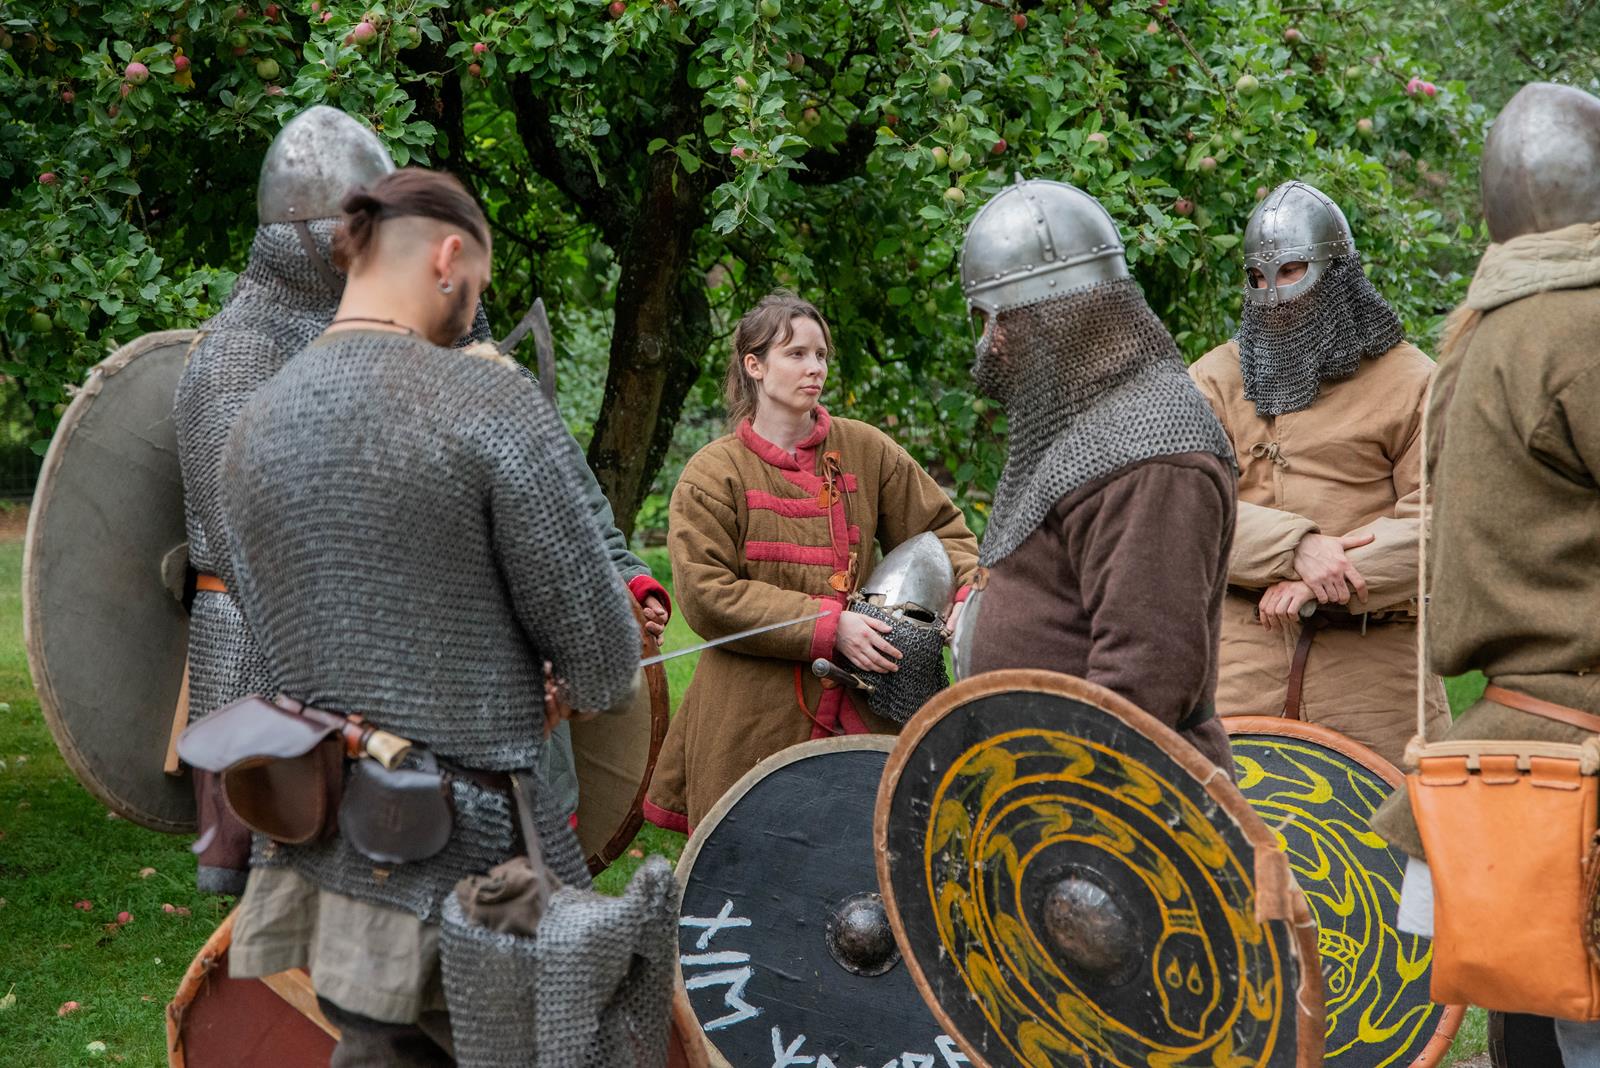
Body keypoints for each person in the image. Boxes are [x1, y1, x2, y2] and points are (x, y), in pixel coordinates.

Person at [216, 167, 643, 1065]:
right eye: (475, 285)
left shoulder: (253, 424)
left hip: (329, 854)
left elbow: (286, 636)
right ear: (448, 257)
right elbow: (605, 661)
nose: (471, 308)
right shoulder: (486, 401)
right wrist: (553, 684)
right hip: (473, 868)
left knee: (376, 1048)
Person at [1369, 81, 1600, 1065]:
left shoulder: (1483, 329)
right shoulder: (1581, 327)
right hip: (1579, 751)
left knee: (1541, 1030)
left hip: (1516, 752)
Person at [642, 291, 979, 832]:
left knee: (871, 851)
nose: (815, 367)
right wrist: (827, 625)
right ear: (754, 365)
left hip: (866, 698)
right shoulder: (713, 473)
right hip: (752, 709)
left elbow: (941, 531)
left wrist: (964, 592)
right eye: (796, 354)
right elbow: (707, 595)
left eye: (820, 355)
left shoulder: (866, 449)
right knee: (749, 854)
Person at [174, 105, 393, 894]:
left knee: (354, 868)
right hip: (253, 637)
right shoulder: (238, 353)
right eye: (355, 230)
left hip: (349, 631)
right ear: (299, 235)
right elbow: (245, 536)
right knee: (264, 871)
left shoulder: (363, 337)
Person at [949, 178, 1237, 772]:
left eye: (995, 321)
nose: (989, 346)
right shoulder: (1086, 427)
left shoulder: (1150, 449)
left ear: (1052, 316)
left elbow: (1148, 673)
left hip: (1115, 796)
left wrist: (1071, 795)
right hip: (1048, 778)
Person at [1188, 180, 1447, 768]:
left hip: (1376, 670)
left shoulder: (1412, 381)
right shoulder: (1215, 380)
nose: (1274, 294)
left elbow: (1445, 519)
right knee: (1223, 816)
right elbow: (1181, 507)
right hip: (1242, 659)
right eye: (1258, 278)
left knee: (1401, 821)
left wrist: (1328, 577)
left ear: (1336, 273)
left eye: (1291, 271)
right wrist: (1295, 547)